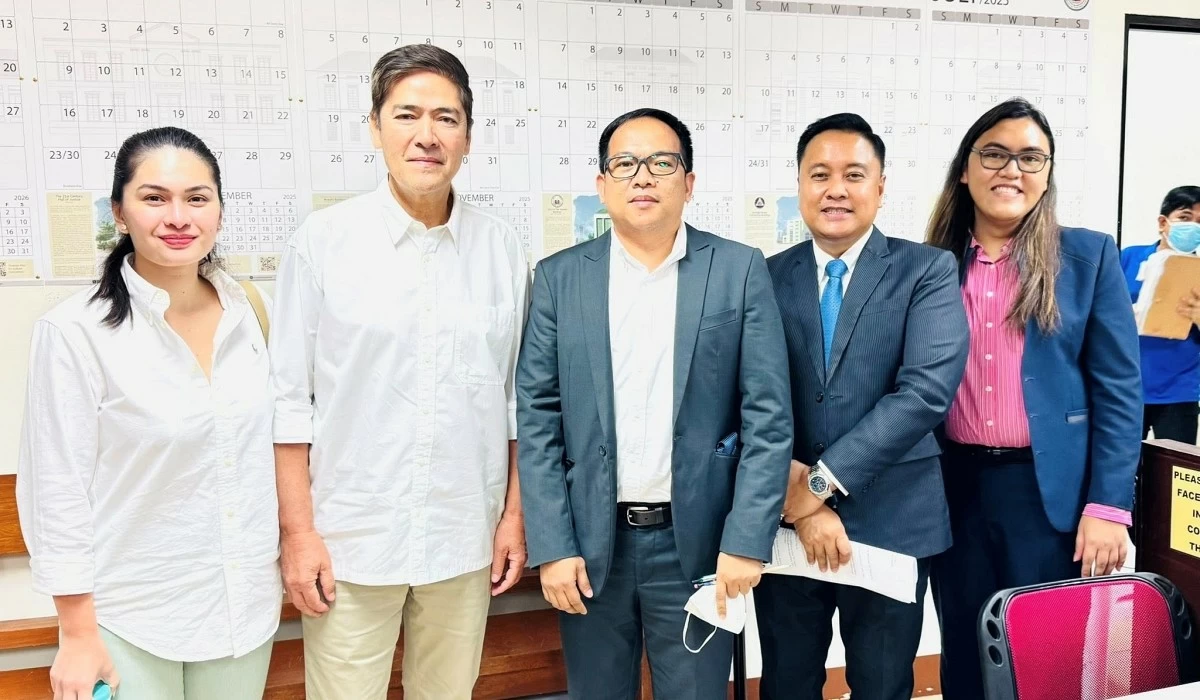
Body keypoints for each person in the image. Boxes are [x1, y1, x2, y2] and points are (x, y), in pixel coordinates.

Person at [269, 44, 530, 700]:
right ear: (375, 127)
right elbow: (288, 401)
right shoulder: (323, 242)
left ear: (468, 135)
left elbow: (516, 399)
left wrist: (514, 516)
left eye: (446, 118)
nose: (426, 135)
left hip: (464, 537)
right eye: (407, 115)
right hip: (350, 542)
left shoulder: (501, 248)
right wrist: (298, 534)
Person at [516, 107, 793, 699]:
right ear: (602, 184)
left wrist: (747, 538)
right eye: (625, 163)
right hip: (591, 548)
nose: (642, 176)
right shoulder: (560, 278)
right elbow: (538, 417)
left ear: (688, 182)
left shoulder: (737, 269)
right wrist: (553, 545)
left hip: (698, 547)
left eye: (661, 163)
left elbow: (768, 418)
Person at [17, 126, 279, 700]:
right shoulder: (75, 332)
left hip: (244, 609)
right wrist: (76, 633)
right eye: (154, 198)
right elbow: (56, 490)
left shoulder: (252, 315)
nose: (178, 217)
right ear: (119, 212)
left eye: (197, 198)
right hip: (128, 617)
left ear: (219, 211)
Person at [925, 98, 1142, 700]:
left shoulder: (1087, 258)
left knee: (1049, 662)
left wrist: (1109, 506)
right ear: (964, 170)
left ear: (1047, 174)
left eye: (1030, 158)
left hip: (1050, 495)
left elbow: (1120, 392)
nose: (1011, 170)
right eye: (994, 154)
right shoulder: (930, 266)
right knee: (966, 655)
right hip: (953, 488)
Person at [758, 113, 969, 700]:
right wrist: (801, 503)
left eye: (854, 174)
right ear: (799, 185)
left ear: (880, 186)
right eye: (819, 174)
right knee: (787, 683)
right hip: (786, 519)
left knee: (882, 685)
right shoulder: (764, 276)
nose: (836, 189)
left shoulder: (927, 269)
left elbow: (924, 392)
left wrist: (820, 485)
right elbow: (746, 398)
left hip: (892, 516)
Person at [1121, 185, 1200, 444]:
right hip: (1126, 384)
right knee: (1124, 463)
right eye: (1185, 217)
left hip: (1180, 388)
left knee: (1176, 466)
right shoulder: (1129, 257)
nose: (1194, 227)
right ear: (1163, 222)